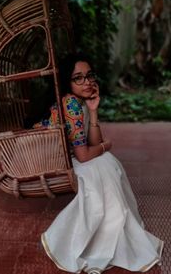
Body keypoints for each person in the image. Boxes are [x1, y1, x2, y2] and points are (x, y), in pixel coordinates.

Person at [39, 53, 164, 274]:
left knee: (105, 164)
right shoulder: (71, 104)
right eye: (78, 78)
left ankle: (112, 229)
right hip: (43, 156)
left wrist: (94, 112)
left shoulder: (80, 103)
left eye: (89, 76)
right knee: (102, 165)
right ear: (67, 82)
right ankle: (99, 233)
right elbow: (86, 155)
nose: (87, 82)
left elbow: (91, 145)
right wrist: (106, 145)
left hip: (69, 155)